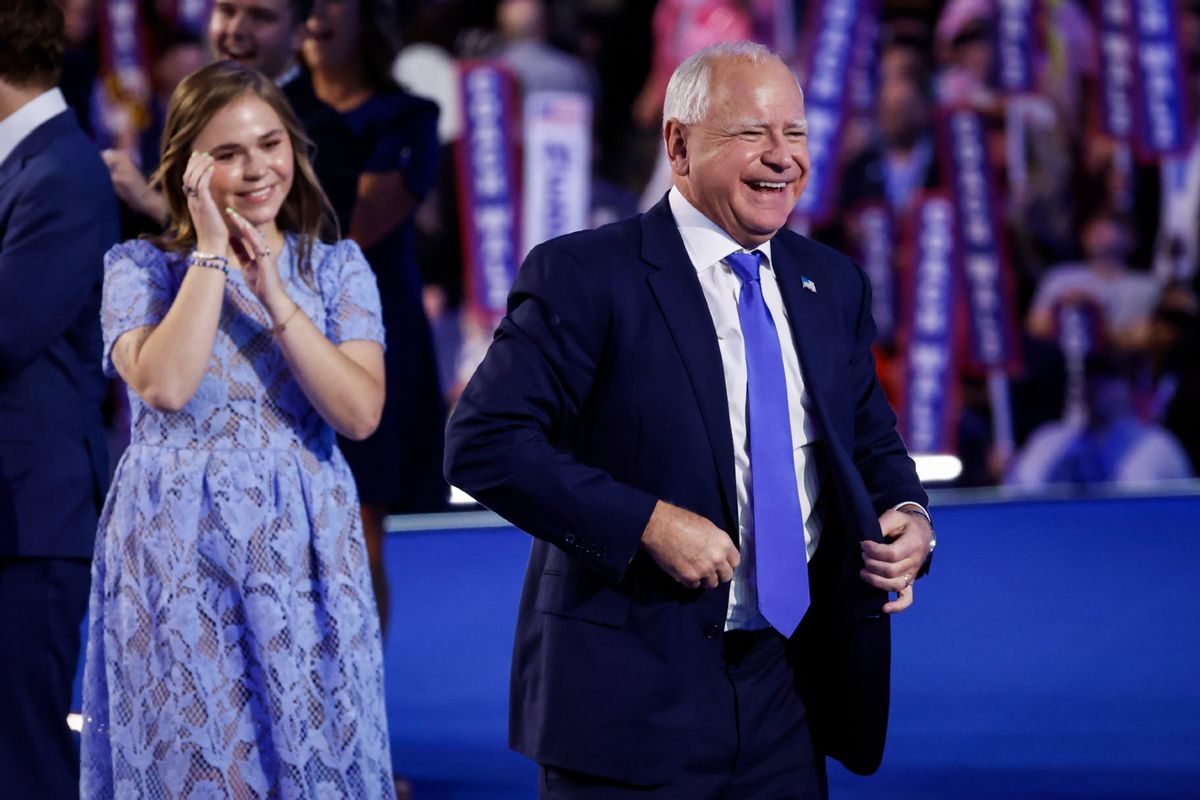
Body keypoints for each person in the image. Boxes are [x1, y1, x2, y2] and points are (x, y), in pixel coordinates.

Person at [445, 42, 935, 797]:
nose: (782, 158)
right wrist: (646, 522)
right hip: (628, 694)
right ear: (677, 144)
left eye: (795, 133)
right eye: (751, 133)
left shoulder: (831, 282)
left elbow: (868, 436)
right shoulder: (585, 275)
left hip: (788, 689)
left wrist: (906, 512)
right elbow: (485, 443)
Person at [80, 61, 394, 797]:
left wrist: (274, 292)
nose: (257, 169)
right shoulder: (138, 269)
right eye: (227, 154)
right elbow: (166, 383)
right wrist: (213, 255)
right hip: (175, 552)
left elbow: (358, 413)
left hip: (303, 548)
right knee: (204, 766)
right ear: (188, 168)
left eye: (269, 143)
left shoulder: (337, 268)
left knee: (312, 758)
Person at [0, 2, 119, 796]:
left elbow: (7, 329)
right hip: (17, 513)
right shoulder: (29, 164)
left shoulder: (62, 173)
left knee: (25, 752)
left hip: (31, 518)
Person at [304, 0, 448, 634]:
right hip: (273, 326)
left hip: (369, 334)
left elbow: (358, 230)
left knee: (361, 522)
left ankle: (355, 706)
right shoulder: (267, 107)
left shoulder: (410, 115)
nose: (312, 17)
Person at [103, 0, 358, 234]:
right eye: (227, 11)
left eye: (260, 17)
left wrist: (151, 203)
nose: (235, 29)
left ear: (298, 35)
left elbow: (301, 254)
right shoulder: (194, 108)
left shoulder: (322, 133)